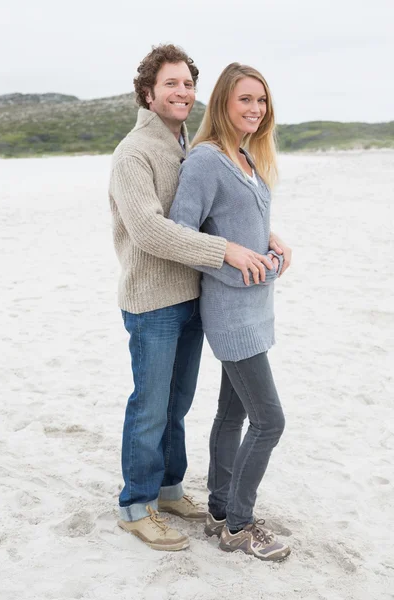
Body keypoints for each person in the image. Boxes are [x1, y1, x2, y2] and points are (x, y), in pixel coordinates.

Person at [108, 45, 290, 552]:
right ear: (148, 92)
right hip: (153, 299)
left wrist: (262, 239)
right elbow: (150, 229)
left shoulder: (185, 143)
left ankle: (168, 490)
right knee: (149, 407)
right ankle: (136, 505)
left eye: (188, 83)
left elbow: (225, 210)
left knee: (178, 404)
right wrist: (228, 250)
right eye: (171, 84)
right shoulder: (134, 153)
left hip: (192, 292)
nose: (182, 92)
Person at [169, 62, 292, 561]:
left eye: (261, 101)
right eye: (245, 99)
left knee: (233, 412)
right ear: (223, 102)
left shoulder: (246, 157)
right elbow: (182, 230)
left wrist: (271, 243)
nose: (255, 109)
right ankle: (240, 524)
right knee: (270, 421)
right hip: (230, 314)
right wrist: (230, 255)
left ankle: (220, 510)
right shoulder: (205, 160)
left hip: (257, 307)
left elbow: (244, 226)